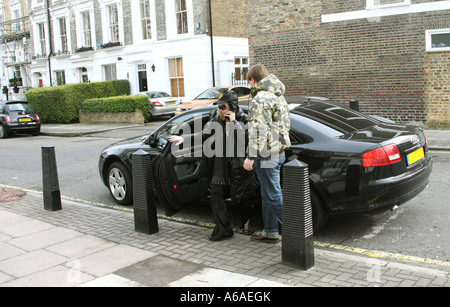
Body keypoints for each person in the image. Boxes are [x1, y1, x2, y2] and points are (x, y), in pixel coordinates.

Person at [169, 90, 255, 241]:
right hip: (220, 164)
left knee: (243, 196)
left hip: (238, 166)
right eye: (219, 107)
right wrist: (183, 138)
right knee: (216, 192)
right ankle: (223, 229)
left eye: (224, 106)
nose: (221, 109)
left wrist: (234, 122)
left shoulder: (244, 119)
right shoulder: (216, 120)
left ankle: (246, 223)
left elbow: (247, 139)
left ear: (232, 106)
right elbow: (203, 135)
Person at [243, 64, 291, 243]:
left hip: (266, 154)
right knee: (269, 193)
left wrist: (251, 156)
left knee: (272, 195)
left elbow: (258, 130)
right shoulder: (279, 97)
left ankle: (298, 229)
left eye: (249, 81)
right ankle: (270, 231)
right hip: (279, 152)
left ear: (253, 80)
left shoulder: (260, 100)